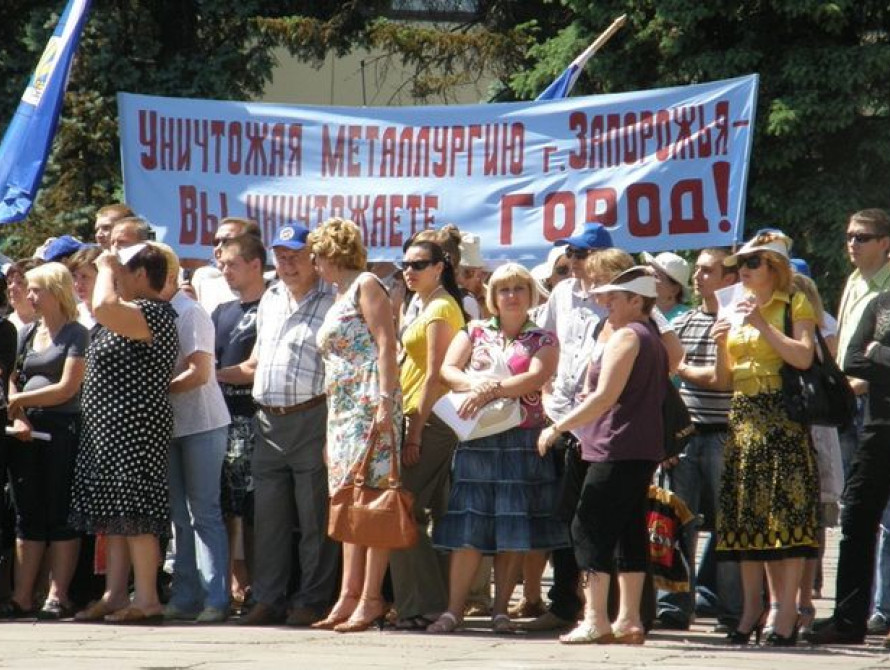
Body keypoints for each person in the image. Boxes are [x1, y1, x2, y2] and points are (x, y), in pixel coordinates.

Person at [426, 263, 566, 634]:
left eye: (519, 288)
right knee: (469, 527)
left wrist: (490, 389)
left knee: (513, 531)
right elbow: (447, 371)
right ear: (493, 296)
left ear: (531, 294)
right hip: (477, 441)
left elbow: (536, 377)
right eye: (504, 289)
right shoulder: (473, 330)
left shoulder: (545, 339)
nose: (512, 295)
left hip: (522, 441)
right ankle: (453, 610)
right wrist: (479, 384)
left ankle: (501, 610)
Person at [537, 266, 668, 645]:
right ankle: (628, 620)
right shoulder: (649, 336)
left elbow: (604, 397)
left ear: (636, 301)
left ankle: (595, 617)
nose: (606, 303)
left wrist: (557, 426)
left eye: (615, 297)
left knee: (587, 527)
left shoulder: (629, 336)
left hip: (616, 446)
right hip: (636, 447)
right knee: (629, 531)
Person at [711, 231, 819, 646]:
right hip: (743, 418)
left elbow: (803, 356)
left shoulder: (794, 302)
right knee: (745, 518)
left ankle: (786, 611)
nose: (742, 271)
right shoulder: (735, 307)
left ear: (773, 267)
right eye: (740, 265)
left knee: (786, 517)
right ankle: (752, 609)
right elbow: (724, 380)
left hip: (782, 418)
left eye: (751, 263)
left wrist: (760, 323)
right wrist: (723, 341)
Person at [69, 244, 179, 624]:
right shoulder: (127, 313)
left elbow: (102, 307)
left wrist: (103, 266)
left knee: (135, 513)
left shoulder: (153, 312)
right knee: (113, 517)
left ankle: (147, 598)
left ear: (141, 275)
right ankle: (115, 594)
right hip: (109, 429)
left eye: (121, 270)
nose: (113, 276)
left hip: (135, 429)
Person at [234, 224, 337, 627]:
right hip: (267, 419)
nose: (288, 263)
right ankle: (268, 598)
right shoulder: (271, 296)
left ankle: (312, 599)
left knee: (314, 519)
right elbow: (258, 359)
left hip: (312, 415)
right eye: (281, 255)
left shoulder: (334, 297)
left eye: (295, 254)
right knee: (269, 519)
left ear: (314, 257)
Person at [309, 218, 402, 633]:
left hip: (369, 404)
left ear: (333, 252)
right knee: (348, 501)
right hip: (343, 409)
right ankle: (348, 594)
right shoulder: (337, 295)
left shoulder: (367, 283)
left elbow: (386, 341)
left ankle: (371, 597)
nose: (312, 260)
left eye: (317, 252)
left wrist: (384, 402)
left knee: (375, 497)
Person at [655, 248, 741, 632]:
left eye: (709, 271)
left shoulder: (739, 323)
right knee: (675, 523)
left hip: (728, 433)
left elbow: (722, 380)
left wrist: (684, 368)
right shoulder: (685, 321)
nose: (699, 276)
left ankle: (731, 608)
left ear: (729, 279)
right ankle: (673, 604)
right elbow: (668, 381)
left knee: (729, 526)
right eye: (698, 270)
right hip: (687, 436)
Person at [1, 263, 88, 620]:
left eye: (36, 289)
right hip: (26, 431)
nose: (29, 295)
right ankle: (23, 595)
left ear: (57, 291)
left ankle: (58, 593)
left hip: (61, 428)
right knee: (28, 512)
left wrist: (21, 402)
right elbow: (12, 378)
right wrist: (17, 412)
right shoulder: (28, 332)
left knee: (59, 511)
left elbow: (69, 386)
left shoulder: (76, 333)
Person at [389, 239, 465, 631]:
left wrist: (415, 432)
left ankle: (421, 605)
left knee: (403, 508)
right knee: (419, 512)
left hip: (431, 419)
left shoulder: (440, 306)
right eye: (405, 264)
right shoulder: (420, 303)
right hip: (416, 416)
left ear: (441, 267)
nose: (410, 270)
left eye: (419, 264)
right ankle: (427, 603)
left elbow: (436, 375)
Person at [153, 243, 231, 624]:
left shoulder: (190, 312)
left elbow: (200, 372)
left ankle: (216, 598)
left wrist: (152, 390)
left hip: (202, 423)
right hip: (172, 426)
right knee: (178, 516)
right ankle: (185, 597)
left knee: (204, 512)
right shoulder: (154, 313)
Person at [213, 234, 268, 610]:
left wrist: (211, 375)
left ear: (254, 264)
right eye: (221, 265)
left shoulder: (272, 306)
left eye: (232, 264)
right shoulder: (220, 311)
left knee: (253, 509)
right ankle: (233, 584)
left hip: (254, 418)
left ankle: (257, 587)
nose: (225, 271)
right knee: (225, 506)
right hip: (220, 419)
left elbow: (253, 369)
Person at [191, 217, 263, 316]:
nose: (218, 248)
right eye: (216, 242)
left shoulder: (275, 290)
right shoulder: (204, 284)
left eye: (227, 241)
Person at [641, 251, 691, 322]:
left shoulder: (686, 319)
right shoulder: (638, 312)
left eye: (655, 276)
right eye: (647, 273)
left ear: (675, 290)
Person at [66, 246, 102, 332]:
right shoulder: (71, 316)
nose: (77, 284)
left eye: (84, 277)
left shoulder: (117, 314)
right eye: (74, 276)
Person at [5, 260, 41, 333]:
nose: (11, 287)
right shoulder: (3, 327)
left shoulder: (50, 325)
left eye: (19, 282)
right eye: (9, 282)